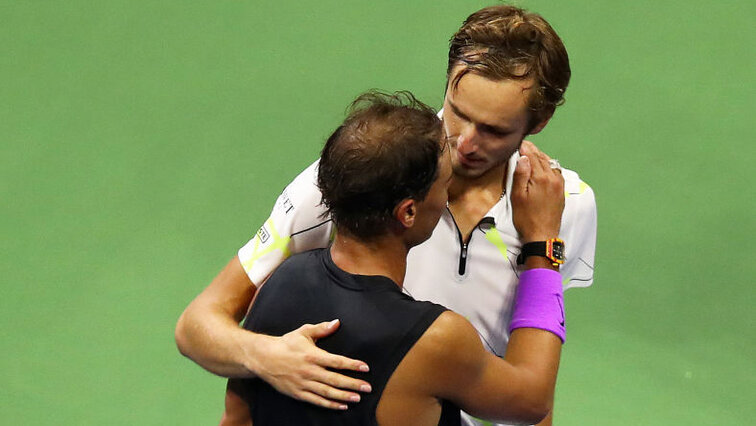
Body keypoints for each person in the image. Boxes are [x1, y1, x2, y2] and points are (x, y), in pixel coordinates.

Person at [176, 5, 597, 426]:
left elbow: (537, 371)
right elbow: (197, 326)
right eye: (458, 112)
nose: (465, 142)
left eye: (493, 130)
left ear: (538, 122)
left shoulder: (566, 204)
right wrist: (267, 355)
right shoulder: (357, 176)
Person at [224, 90, 567, 425]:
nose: (448, 196)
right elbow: (532, 400)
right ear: (408, 212)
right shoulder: (437, 339)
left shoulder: (280, 284)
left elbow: (235, 419)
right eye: (444, 184)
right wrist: (543, 244)